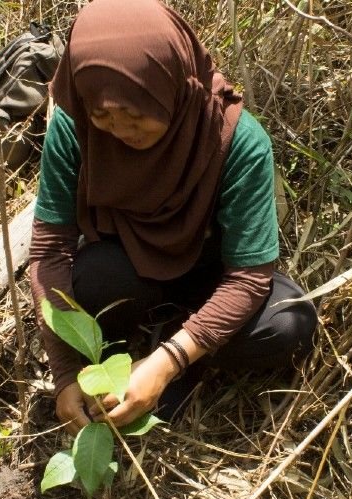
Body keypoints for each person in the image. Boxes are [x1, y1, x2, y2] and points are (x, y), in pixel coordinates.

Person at [28, 0, 318, 435]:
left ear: (173, 87)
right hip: (129, 265)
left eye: (136, 113)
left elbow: (250, 275)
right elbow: (50, 250)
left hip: (213, 275)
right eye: (103, 114)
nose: (121, 130)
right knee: (88, 284)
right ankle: (146, 339)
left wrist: (170, 361)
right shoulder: (73, 127)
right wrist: (66, 372)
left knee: (288, 325)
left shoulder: (236, 140)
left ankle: (172, 348)